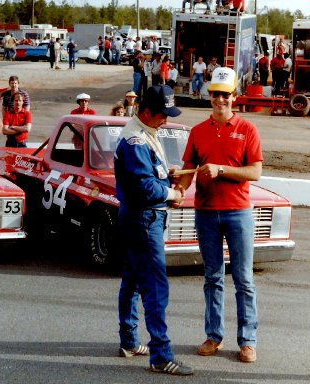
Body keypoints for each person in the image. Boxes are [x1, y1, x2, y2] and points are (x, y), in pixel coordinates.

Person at [175, 67, 262, 364]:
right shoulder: (198, 131)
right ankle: (214, 335)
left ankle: (248, 341)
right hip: (206, 212)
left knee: (244, 279)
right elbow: (188, 168)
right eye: (215, 95)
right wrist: (177, 189)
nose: (220, 100)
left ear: (234, 97)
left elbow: (256, 171)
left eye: (225, 95)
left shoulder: (247, 129)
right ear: (209, 95)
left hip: (238, 212)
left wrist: (221, 169)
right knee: (213, 277)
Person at [114, 84, 193, 376]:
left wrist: (165, 174)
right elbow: (145, 187)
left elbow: (149, 176)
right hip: (144, 219)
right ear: (146, 111)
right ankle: (161, 354)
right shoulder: (136, 140)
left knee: (133, 280)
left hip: (138, 217)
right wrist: (172, 194)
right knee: (155, 287)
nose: (166, 120)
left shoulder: (144, 133)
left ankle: (130, 341)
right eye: (162, 114)